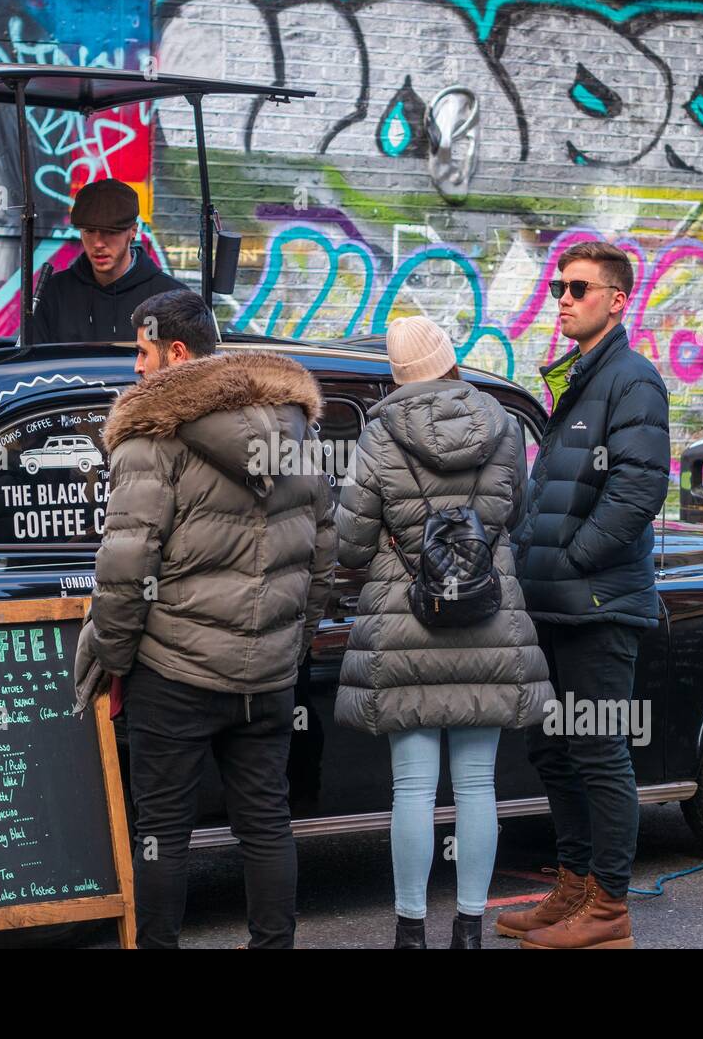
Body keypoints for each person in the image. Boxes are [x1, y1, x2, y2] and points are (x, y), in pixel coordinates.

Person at [79, 289, 336, 948]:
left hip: (175, 673)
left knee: (163, 832)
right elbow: (323, 554)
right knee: (267, 825)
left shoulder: (151, 434)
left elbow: (127, 563)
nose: (137, 369)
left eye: (143, 352)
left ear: (178, 353)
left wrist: (111, 651)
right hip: (270, 677)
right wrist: (291, 642)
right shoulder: (296, 428)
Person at [333, 315, 553, 950]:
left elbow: (349, 545)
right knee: (479, 784)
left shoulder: (379, 437)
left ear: (397, 374)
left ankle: (409, 933)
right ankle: (470, 928)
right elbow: (518, 515)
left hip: (405, 626)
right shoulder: (503, 426)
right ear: (450, 360)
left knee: (412, 788)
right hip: (487, 621)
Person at [500, 241, 670, 950]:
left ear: (617, 299)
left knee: (599, 750)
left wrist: (572, 557)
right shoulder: (582, 377)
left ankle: (609, 908)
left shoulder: (632, 379)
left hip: (598, 607)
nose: (563, 298)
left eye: (578, 288)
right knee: (555, 748)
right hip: (555, 606)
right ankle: (572, 887)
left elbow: (639, 487)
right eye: (560, 288)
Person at [25, 178, 186, 345]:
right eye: (89, 231)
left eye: (110, 232)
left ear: (133, 231)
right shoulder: (54, 292)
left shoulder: (171, 298)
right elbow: (35, 363)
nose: (98, 243)